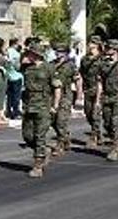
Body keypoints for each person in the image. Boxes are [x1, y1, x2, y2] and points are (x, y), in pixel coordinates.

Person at [21, 42, 61, 178]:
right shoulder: (26, 67)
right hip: (29, 106)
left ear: (37, 54)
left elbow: (57, 87)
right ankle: (45, 150)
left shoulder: (49, 68)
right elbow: (14, 67)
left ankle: (38, 165)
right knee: (27, 136)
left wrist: (55, 106)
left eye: (30, 53)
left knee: (39, 136)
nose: (28, 55)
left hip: (43, 106)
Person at [51, 43, 77, 156]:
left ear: (66, 53)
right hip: (52, 96)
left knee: (61, 121)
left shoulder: (70, 65)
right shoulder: (51, 64)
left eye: (60, 52)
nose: (58, 53)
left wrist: (79, 95)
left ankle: (60, 144)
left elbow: (78, 79)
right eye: (56, 51)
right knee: (53, 121)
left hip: (65, 96)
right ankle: (65, 138)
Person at [79, 36, 104, 149]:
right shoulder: (85, 59)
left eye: (93, 43)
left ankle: (93, 137)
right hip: (88, 89)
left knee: (95, 114)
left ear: (98, 45)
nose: (90, 45)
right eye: (90, 42)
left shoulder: (102, 59)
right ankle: (98, 133)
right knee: (88, 113)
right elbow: (81, 74)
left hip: (100, 89)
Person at [6, 38, 23, 120]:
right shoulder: (16, 53)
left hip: (9, 76)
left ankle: (9, 110)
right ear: (14, 44)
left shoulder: (6, 52)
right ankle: (15, 112)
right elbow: (17, 66)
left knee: (9, 95)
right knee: (16, 96)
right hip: (16, 76)